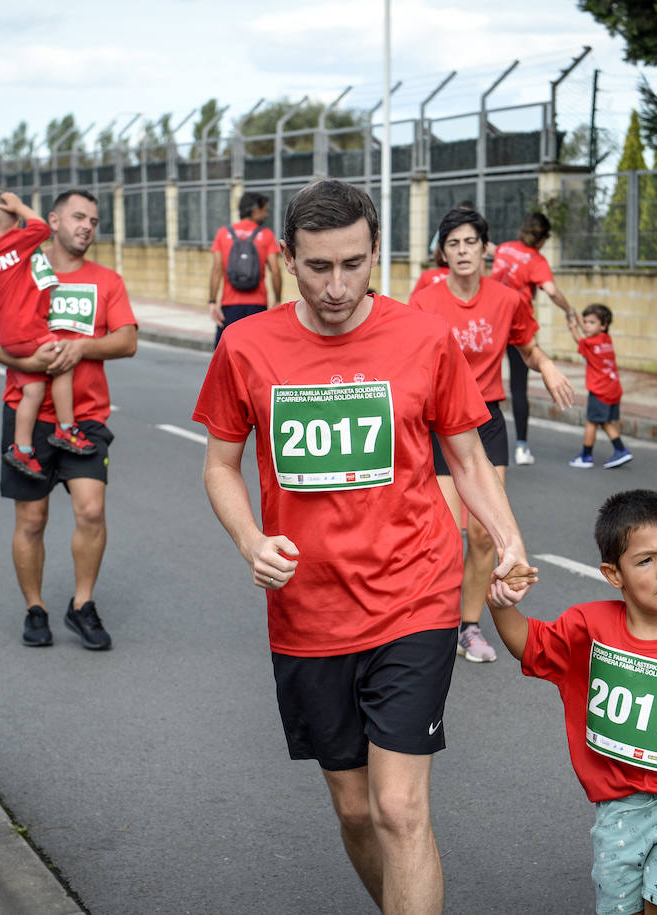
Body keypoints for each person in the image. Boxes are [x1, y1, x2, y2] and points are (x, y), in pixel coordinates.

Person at [193, 179, 536, 914]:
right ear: (287, 259)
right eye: (319, 267)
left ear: (376, 251)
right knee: (355, 812)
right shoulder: (246, 345)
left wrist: (508, 539)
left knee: (399, 808)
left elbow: (469, 458)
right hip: (308, 615)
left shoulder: (422, 337)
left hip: (414, 596)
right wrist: (251, 538)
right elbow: (219, 464)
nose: (338, 285)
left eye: (354, 263)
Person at [487, 489, 657, 915]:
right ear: (612, 573)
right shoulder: (589, 627)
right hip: (618, 809)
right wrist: (502, 606)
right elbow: (533, 646)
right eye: (645, 560)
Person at [410, 206, 575, 664]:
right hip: (439, 426)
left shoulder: (506, 299)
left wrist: (546, 366)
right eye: (453, 243)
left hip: (486, 422)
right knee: (444, 532)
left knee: (483, 534)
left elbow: (527, 344)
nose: (462, 251)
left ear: (486, 248)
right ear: (442, 252)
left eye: (470, 242)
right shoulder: (425, 300)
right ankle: (431, 623)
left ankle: (469, 627)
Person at [0, 188, 137, 650]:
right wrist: (29, 366)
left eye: (93, 219)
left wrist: (81, 346)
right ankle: (35, 608)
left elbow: (127, 341)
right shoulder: (21, 264)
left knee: (91, 509)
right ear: (53, 220)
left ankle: (81, 605)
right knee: (32, 520)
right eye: (78, 217)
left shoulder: (106, 281)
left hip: (85, 416)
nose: (87, 226)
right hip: (27, 414)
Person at [0, 191, 96, 479]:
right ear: (15, 223)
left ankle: (22, 449)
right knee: (64, 363)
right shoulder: (16, 242)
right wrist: (20, 207)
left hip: (9, 338)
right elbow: (41, 228)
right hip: (28, 331)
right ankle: (66, 429)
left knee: (33, 391)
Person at [491, 211, 578, 465]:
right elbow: (551, 290)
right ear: (542, 239)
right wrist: (570, 310)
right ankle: (521, 447)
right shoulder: (536, 260)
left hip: (491, 320)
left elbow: (492, 252)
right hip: (518, 324)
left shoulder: (505, 248)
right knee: (519, 387)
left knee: (482, 381)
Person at [208, 191, 282, 347]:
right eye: (264, 210)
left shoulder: (223, 233)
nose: (266, 215)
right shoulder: (266, 235)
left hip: (229, 305)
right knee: (256, 352)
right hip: (257, 305)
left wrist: (213, 302)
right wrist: (277, 299)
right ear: (255, 211)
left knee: (226, 353)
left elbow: (217, 270)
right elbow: (275, 270)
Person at [565, 302, 633, 469]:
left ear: (603, 325)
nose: (587, 326)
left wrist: (573, 327)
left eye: (591, 322)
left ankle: (586, 456)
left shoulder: (589, 344)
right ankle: (620, 450)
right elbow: (589, 334)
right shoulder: (606, 339)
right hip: (613, 389)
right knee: (605, 422)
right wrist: (581, 321)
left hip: (599, 390)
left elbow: (579, 340)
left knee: (591, 422)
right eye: (586, 322)